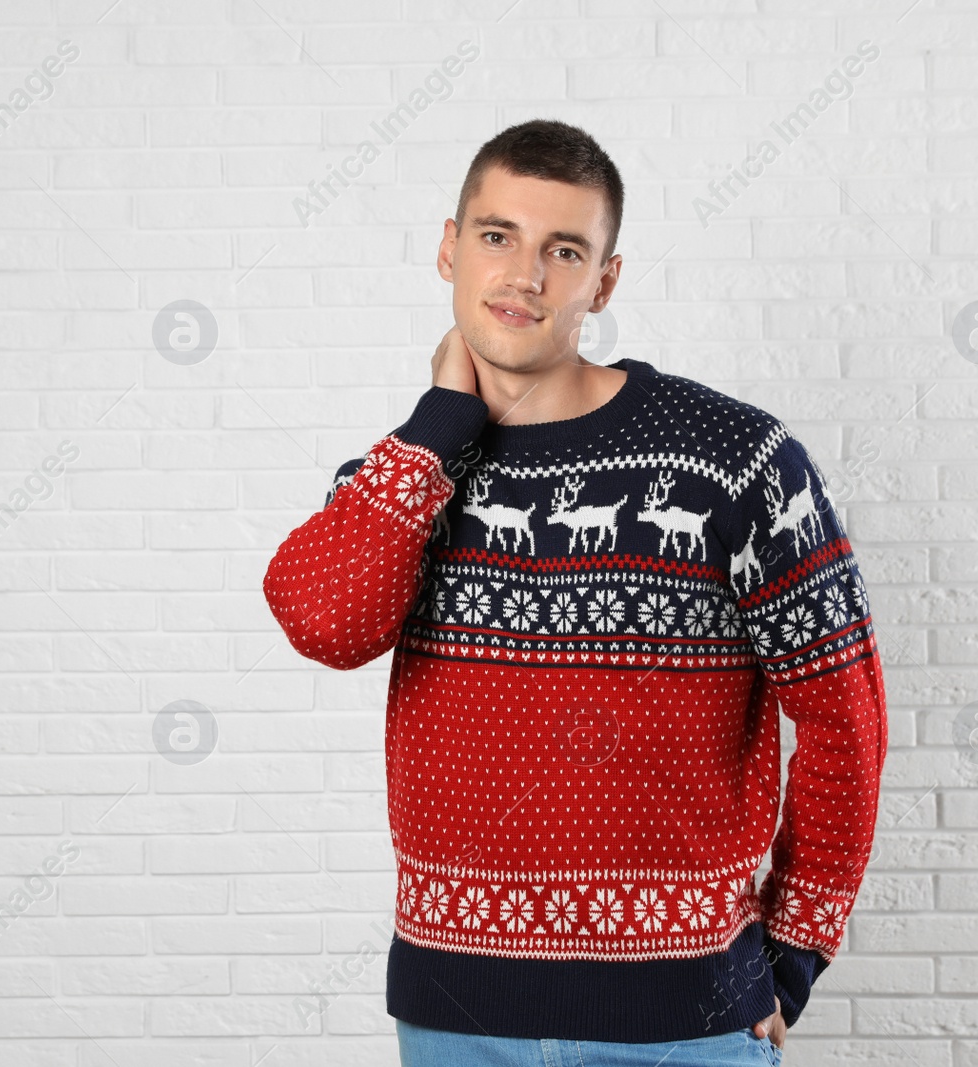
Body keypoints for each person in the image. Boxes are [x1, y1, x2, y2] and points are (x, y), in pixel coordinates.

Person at [263, 119, 888, 1067]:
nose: (524, 276)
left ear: (604, 279)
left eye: (564, 250)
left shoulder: (737, 459)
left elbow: (846, 711)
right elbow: (323, 622)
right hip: (452, 1015)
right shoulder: (402, 479)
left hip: (687, 1023)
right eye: (496, 236)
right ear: (448, 247)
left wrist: (795, 948)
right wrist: (438, 425)